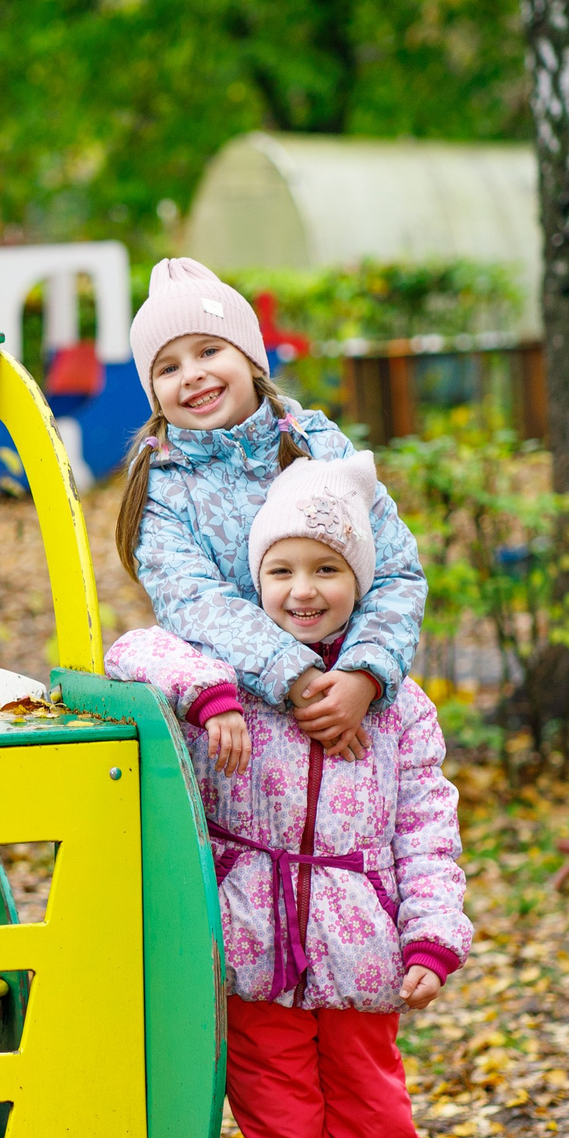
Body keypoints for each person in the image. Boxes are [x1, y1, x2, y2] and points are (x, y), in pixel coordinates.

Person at [106, 453, 471, 1138]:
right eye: (282, 571)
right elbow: (130, 651)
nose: (302, 591)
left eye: (325, 570)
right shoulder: (230, 673)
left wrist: (432, 934)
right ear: (253, 580)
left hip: (361, 955)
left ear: (360, 581)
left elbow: (427, 825)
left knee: (377, 1129)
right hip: (256, 952)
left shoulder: (393, 707)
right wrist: (216, 694)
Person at [114, 258, 426, 762]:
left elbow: (395, 570)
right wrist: (295, 676)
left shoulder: (318, 445)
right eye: (168, 367)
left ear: (251, 357)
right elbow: (193, 600)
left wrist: (363, 675)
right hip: (238, 736)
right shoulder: (162, 486)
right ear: (154, 394)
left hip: (353, 718)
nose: (192, 375)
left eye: (209, 350)